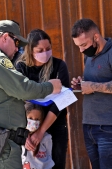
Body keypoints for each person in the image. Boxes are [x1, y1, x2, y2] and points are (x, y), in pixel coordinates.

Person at [0, 20, 62, 169]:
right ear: (5, 37)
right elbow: (22, 89)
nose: (17, 49)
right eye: (16, 42)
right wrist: (51, 86)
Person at [70, 18, 112, 169]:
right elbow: (97, 81)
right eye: (78, 46)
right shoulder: (88, 56)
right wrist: (82, 84)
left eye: (84, 45)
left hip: (110, 127)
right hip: (90, 125)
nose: (81, 50)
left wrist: (92, 86)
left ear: (96, 37)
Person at [16, 29, 69, 169]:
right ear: (30, 50)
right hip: (29, 126)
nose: (45, 53)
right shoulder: (21, 67)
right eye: (40, 50)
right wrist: (26, 134)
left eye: (48, 49)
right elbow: (18, 99)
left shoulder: (59, 66)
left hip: (55, 124)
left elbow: (61, 101)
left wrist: (41, 132)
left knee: (56, 164)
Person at [21, 102, 54, 169]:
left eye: (37, 119)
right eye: (30, 118)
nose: (33, 122)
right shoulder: (18, 137)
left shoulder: (46, 137)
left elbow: (49, 158)